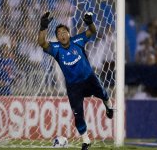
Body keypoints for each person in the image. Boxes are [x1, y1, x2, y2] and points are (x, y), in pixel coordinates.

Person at [37, 12, 113, 150]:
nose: (62, 35)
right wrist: (43, 26)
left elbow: (92, 31)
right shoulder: (56, 49)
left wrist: (89, 22)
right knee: (78, 113)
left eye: (64, 32)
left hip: (89, 78)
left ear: (69, 33)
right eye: (59, 33)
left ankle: (108, 106)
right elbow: (42, 42)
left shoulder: (78, 41)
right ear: (57, 38)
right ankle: (86, 141)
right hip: (73, 86)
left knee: (103, 94)